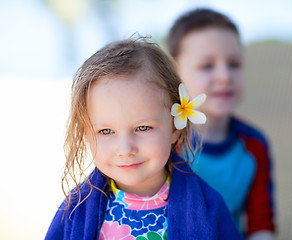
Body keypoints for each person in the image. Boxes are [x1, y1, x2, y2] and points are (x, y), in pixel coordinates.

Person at [45, 37, 242, 240]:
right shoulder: (75, 210)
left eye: (143, 128)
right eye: (106, 131)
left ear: (175, 127)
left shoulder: (209, 208)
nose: (125, 149)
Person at [165, 8, 276, 240]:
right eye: (207, 65)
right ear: (175, 74)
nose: (225, 75)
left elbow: (260, 224)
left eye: (234, 64)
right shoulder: (165, 141)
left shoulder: (254, 145)